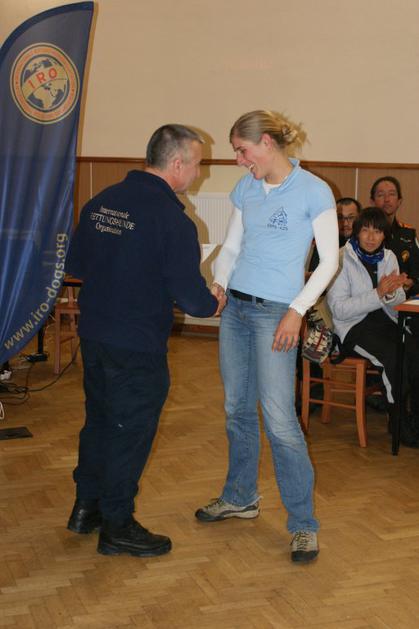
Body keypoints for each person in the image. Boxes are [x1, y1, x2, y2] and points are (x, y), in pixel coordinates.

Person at [65, 124, 225, 558]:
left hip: (94, 334)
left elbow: (77, 266)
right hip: (136, 345)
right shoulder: (173, 220)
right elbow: (192, 300)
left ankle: (86, 508)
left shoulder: (101, 202)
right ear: (176, 163)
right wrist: (214, 302)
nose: (198, 174)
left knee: (99, 422)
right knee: (130, 432)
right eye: (197, 165)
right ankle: (117, 525)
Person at [195, 110, 339, 563]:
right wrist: (220, 283)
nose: (239, 160)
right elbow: (232, 246)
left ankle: (303, 524)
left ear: (268, 143)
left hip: (277, 313)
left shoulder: (314, 191)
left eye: (242, 150)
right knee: (236, 409)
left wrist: (297, 310)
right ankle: (240, 497)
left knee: (279, 420)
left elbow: (329, 262)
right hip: (236, 310)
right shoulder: (247, 188)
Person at [327, 207, 418, 447]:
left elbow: (395, 304)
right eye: (365, 230)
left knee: (414, 351)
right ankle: (398, 423)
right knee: (393, 357)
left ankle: (414, 419)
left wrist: (393, 293)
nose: (370, 237)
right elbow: (339, 310)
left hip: (384, 321)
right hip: (352, 327)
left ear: (384, 235)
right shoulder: (341, 258)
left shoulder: (389, 257)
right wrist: (378, 293)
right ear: (356, 232)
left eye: (377, 231)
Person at [370, 176, 419, 421]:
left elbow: (417, 274)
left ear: (399, 200)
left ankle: (410, 404)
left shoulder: (409, 234)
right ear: (372, 200)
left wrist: (410, 282)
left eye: (391, 194)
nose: (386, 199)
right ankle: (393, 400)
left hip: (405, 306)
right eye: (380, 194)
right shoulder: (365, 234)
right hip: (376, 308)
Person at [307, 197, 361, 272]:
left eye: (351, 217)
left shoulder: (366, 243)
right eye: (340, 217)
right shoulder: (323, 244)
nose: (345, 223)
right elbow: (314, 273)